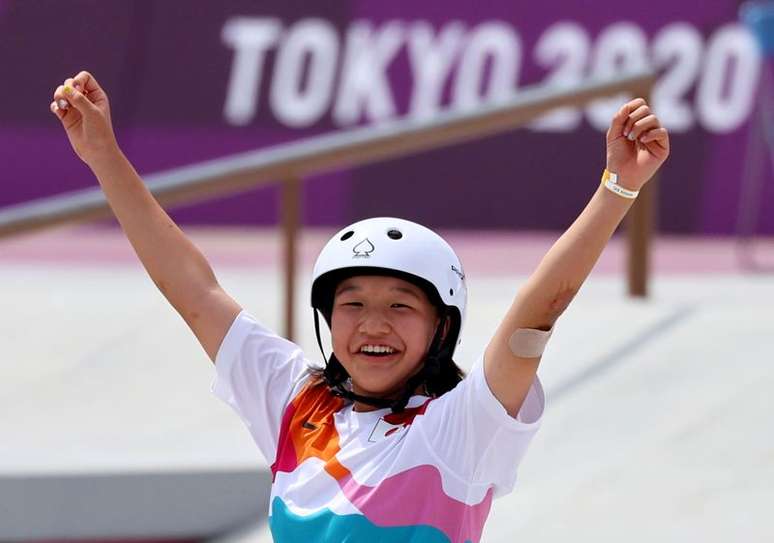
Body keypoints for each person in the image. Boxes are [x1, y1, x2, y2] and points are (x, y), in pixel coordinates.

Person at [50, 71, 669, 542]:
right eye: (352, 304)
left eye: (401, 306)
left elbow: (538, 313)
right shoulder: (296, 401)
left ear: (441, 327)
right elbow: (193, 291)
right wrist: (104, 156)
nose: (372, 324)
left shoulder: (460, 429)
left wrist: (618, 188)